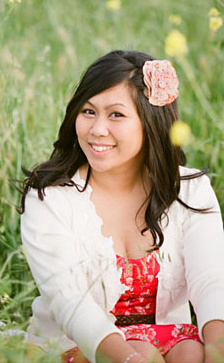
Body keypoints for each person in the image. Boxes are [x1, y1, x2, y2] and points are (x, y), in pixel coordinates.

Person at [18, 50, 224, 363]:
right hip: (79, 345)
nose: (97, 129)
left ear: (151, 123)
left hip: (169, 342)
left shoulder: (190, 190)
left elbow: (211, 282)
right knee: (143, 351)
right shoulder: (50, 198)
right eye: (88, 112)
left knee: (194, 351)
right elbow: (70, 302)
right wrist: (129, 359)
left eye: (116, 115)